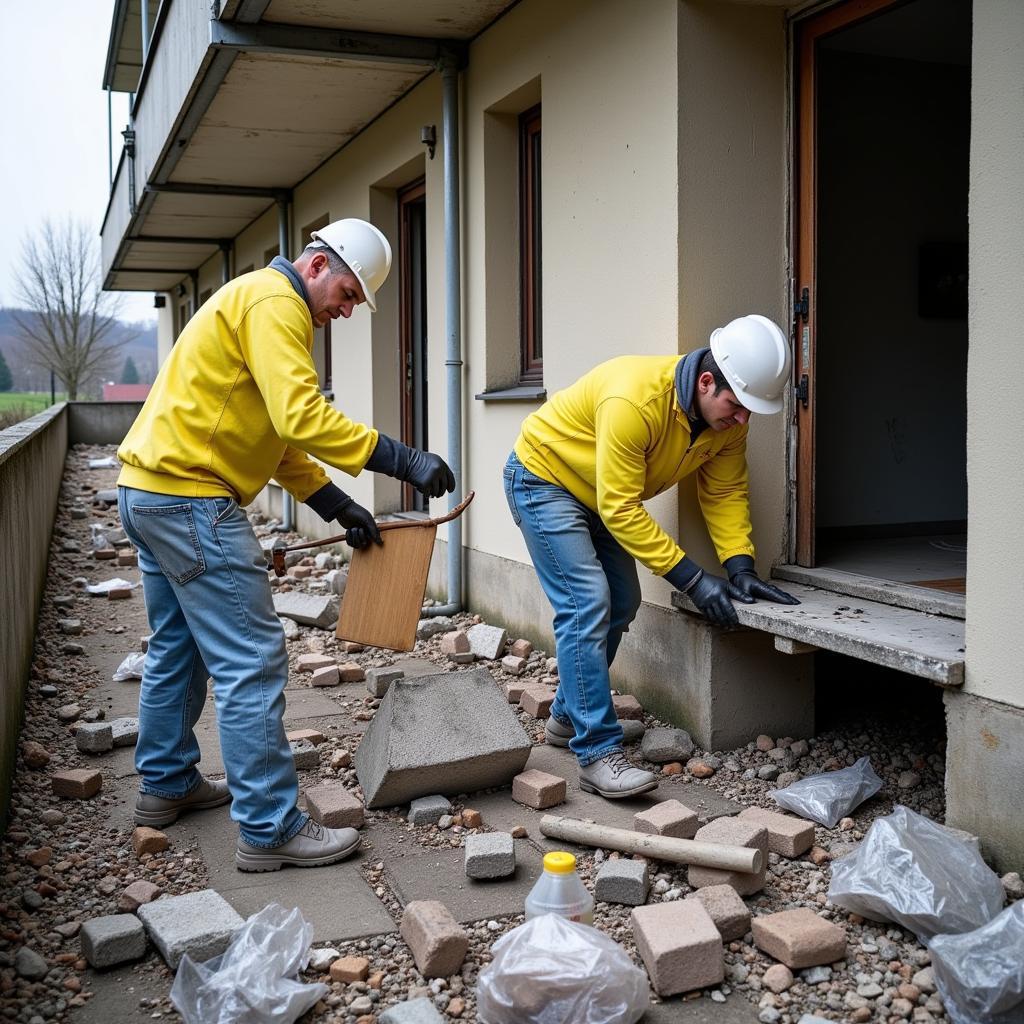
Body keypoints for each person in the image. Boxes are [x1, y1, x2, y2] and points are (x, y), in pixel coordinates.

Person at [116, 218, 455, 871]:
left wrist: (335, 502)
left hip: (148, 492)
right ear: (319, 266)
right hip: (190, 500)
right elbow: (301, 416)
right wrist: (400, 458)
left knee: (178, 649)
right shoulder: (277, 304)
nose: (347, 311)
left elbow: (275, 434)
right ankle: (270, 828)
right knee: (251, 660)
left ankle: (166, 783)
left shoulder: (253, 300)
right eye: (350, 294)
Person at [504, 314, 799, 800]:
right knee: (587, 603)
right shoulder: (634, 400)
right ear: (706, 382)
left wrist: (738, 565)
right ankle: (597, 753)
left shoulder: (726, 420)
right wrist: (694, 580)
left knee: (623, 602)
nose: (743, 418)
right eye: (737, 404)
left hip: (601, 495)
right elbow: (620, 507)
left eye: (750, 409)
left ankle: (566, 716)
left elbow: (724, 489)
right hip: (545, 480)